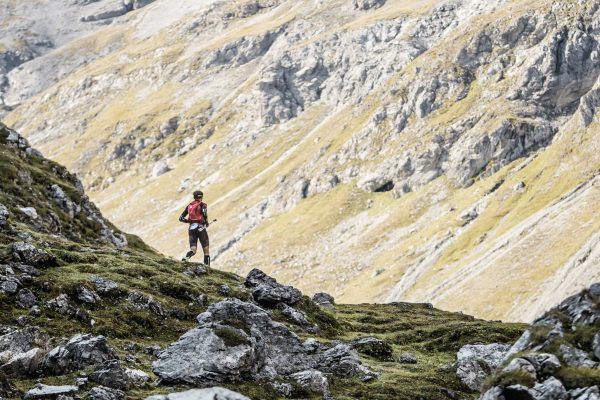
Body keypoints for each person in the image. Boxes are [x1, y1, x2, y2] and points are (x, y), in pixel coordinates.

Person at [179, 190, 210, 266]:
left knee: (193, 250)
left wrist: (188, 221)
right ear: (201, 196)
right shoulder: (203, 205)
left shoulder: (189, 206)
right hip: (200, 227)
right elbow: (204, 214)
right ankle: (207, 267)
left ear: (194, 197)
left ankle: (186, 258)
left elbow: (181, 218)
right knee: (206, 250)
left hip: (191, 228)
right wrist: (206, 223)